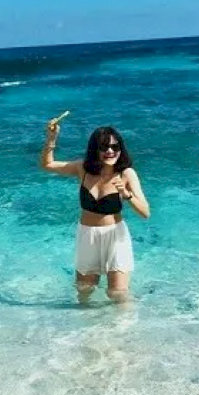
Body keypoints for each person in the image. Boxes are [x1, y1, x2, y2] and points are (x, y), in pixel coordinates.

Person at [39, 119, 150, 304]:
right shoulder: (82, 168)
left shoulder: (127, 173)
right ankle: (89, 331)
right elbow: (47, 165)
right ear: (95, 149)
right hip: (87, 235)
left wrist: (126, 194)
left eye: (115, 147)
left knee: (117, 293)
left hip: (115, 236)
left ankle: (126, 331)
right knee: (84, 291)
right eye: (104, 147)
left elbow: (145, 213)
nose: (110, 151)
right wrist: (51, 138)